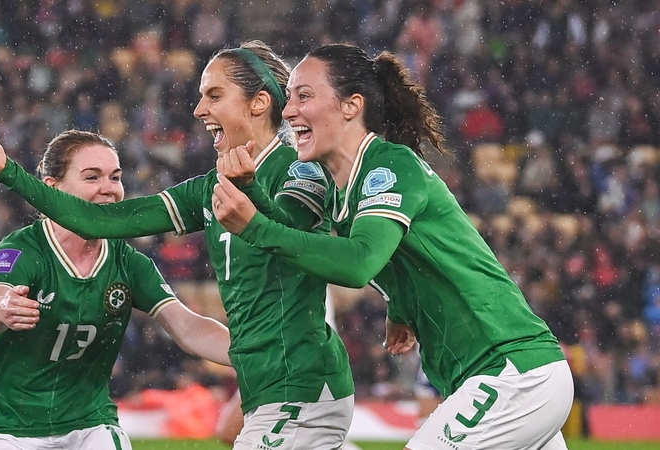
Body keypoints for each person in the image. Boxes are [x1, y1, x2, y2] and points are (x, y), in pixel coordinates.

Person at [0, 41, 358, 449]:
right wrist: (7, 170)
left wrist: (251, 192)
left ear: (258, 103)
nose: (199, 110)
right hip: (271, 382)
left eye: (214, 96)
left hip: (302, 379)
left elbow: (293, 236)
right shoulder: (211, 187)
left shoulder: (299, 169)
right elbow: (98, 221)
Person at [211, 43, 574, 450]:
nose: (289, 110)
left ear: (351, 105)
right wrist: (401, 305)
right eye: (290, 96)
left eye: (304, 95)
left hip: (511, 373)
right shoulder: (344, 186)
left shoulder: (389, 167)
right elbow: (411, 251)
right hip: (497, 378)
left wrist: (255, 227)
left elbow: (358, 263)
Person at [0, 129, 231, 450]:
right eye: (92, 177)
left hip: (88, 423)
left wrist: (257, 354)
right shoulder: (25, 247)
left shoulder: (128, 262)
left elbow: (188, 327)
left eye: (115, 177)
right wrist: (2, 308)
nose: (108, 189)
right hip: (3, 423)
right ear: (52, 188)